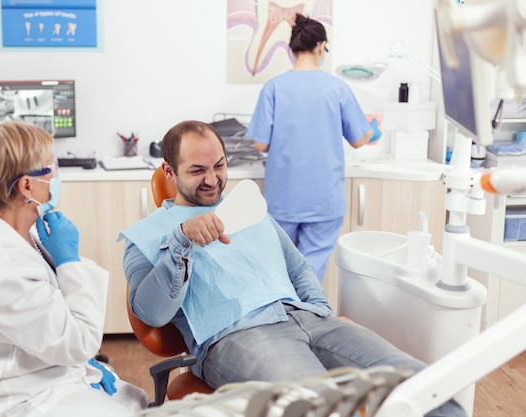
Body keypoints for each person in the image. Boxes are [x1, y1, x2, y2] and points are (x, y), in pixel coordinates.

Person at [120, 120, 466, 417]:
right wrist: (180, 243)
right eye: (197, 170)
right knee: (317, 407)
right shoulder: (146, 236)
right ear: (169, 171)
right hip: (236, 336)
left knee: (426, 387)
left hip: (308, 319)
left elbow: (298, 268)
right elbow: (150, 313)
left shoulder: (246, 209)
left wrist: (322, 313)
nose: (212, 179)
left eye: (220, 166)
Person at [0, 121, 148, 417]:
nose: (56, 174)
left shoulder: (3, 227)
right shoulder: (0, 268)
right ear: (26, 185)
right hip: (15, 400)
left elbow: (48, 320)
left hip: (38, 372)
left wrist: (83, 367)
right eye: (52, 167)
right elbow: (79, 343)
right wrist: (68, 263)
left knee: (137, 401)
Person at [246, 14, 382, 282]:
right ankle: (307, 318)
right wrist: (373, 129)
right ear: (321, 46)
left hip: (283, 198)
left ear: (291, 49)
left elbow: (260, 143)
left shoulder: (274, 87)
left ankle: (280, 320)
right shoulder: (337, 88)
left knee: (278, 269)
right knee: (310, 273)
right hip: (323, 199)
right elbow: (359, 138)